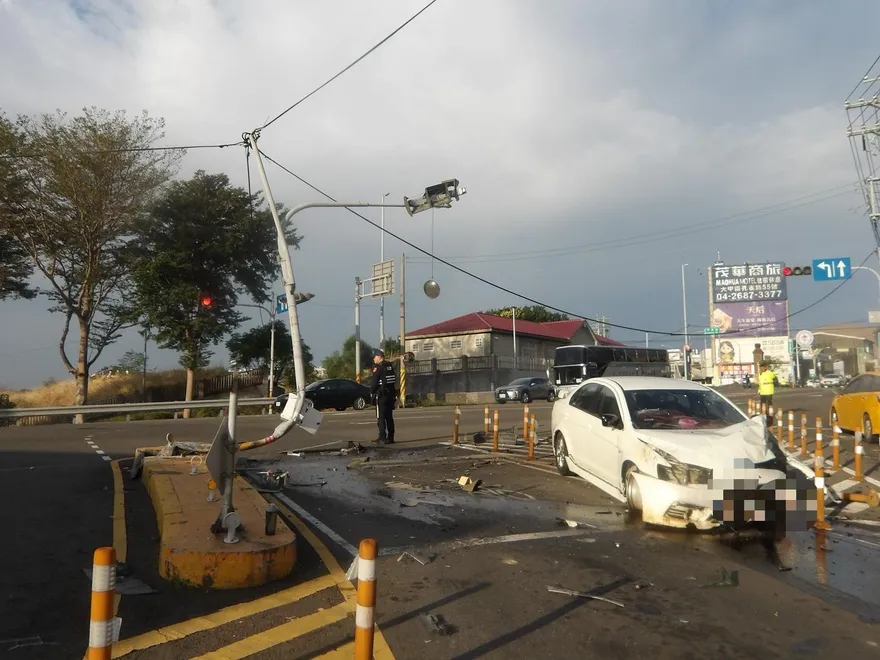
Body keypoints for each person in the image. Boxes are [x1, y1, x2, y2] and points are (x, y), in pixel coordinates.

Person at [370, 349, 398, 445]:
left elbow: (374, 383)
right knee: (389, 416)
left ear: (379, 357)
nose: (373, 358)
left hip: (381, 395)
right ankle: (391, 437)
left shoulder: (378, 368)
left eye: (374, 356)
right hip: (391, 394)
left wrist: (371, 392)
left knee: (381, 417)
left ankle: (382, 437)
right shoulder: (389, 366)